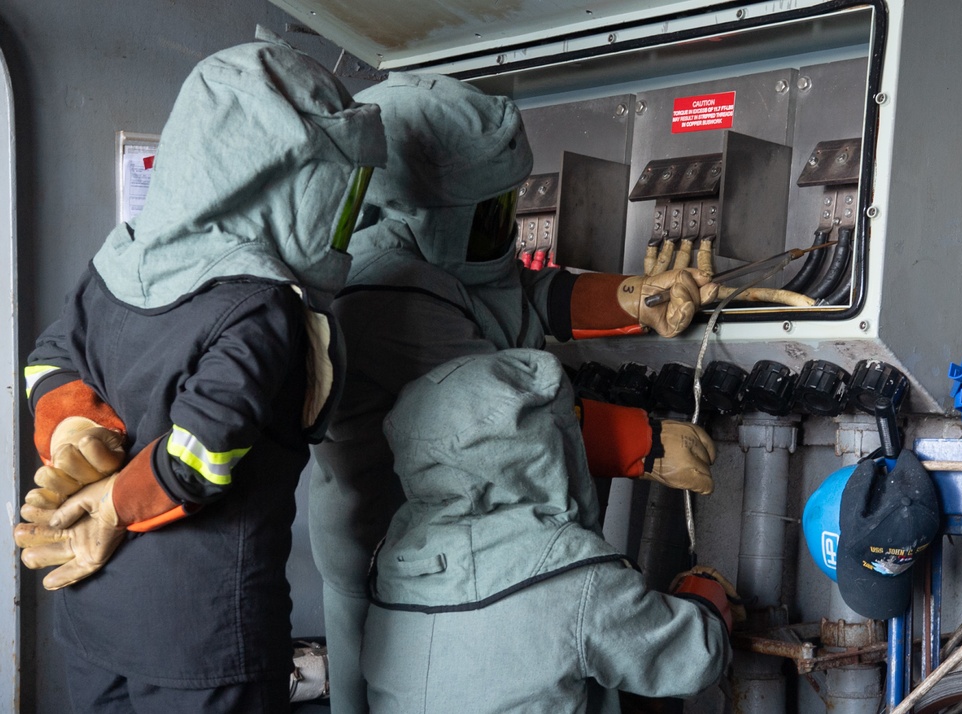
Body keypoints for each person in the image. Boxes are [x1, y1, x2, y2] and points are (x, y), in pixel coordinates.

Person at [309, 71, 720, 713]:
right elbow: (498, 418)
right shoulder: (386, 292)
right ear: (419, 205)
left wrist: (626, 296)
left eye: (507, 206)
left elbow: (511, 290)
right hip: (395, 541)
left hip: (469, 532)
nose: (501, 228)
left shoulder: (434, 253)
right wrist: (645, 442)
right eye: (487, 214)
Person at [13, 28, 385, 713]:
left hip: (94, 619)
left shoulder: (118, 263)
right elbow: (202, 455)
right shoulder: (262, 305)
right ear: (288, 178)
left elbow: (46, 360)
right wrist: (114, 504)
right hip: (206, 641)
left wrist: (74, 435)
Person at [362, 348, 733, 713]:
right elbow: (695, 659)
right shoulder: (570, 576)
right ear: (536, 451)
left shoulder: (394, 561)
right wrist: (706, 594)